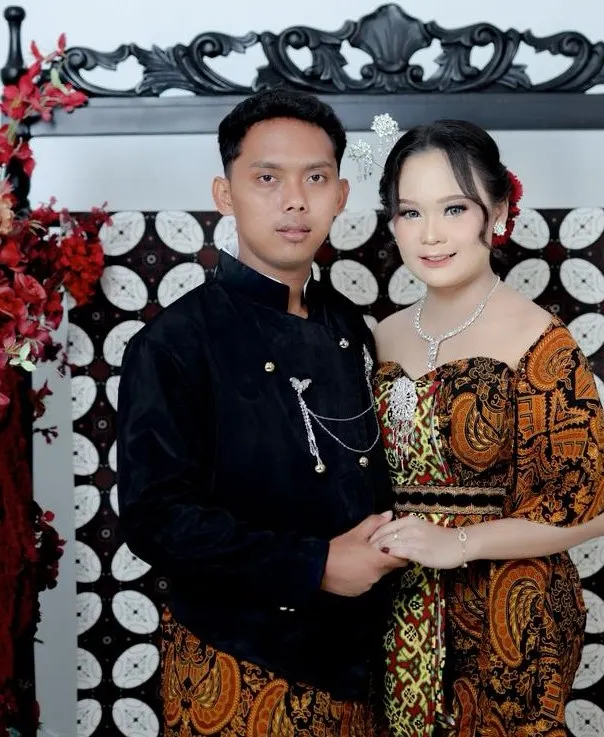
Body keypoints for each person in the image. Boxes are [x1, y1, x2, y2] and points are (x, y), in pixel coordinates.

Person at [116, 89, 406, 737]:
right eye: (267, 178)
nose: (294, 201)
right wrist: (316, 564)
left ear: (341, 195)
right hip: (241, 662)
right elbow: (156, 518)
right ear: (226, 194)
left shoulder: (348, 325)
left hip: (363, 660)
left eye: (316, 178)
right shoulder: (175, 341)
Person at [368, 120, 604, 737]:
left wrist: (458, 544)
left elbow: (599, 509)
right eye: (410, 212)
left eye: (454, 209)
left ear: (500, 210)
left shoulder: (540, 339)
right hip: (393, 607)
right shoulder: (380, 336)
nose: (430, 234)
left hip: (512, 612)